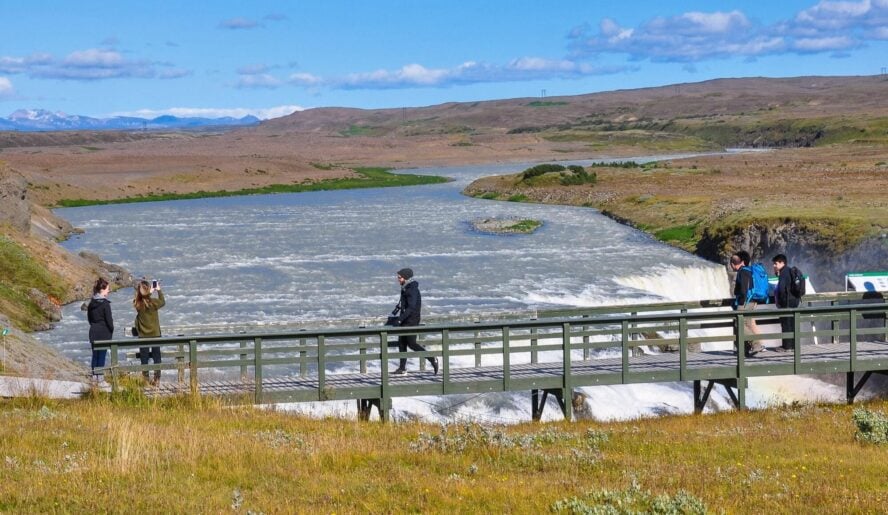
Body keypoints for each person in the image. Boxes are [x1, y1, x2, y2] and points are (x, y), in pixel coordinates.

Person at [391, 268, 438, 375]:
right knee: (402, 343)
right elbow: (404, 305)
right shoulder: (405, 287)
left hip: (411, 321)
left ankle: (432, 358)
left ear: (406, 278)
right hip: (405, 320)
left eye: (399, 277)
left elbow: (411, 308)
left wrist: (400, 320)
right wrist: (395, 314)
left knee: (412, 344)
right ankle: (402, 368)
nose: (398, 279)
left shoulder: (411, 289)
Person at [730, 251, 764, 357]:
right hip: (751, 301)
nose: (731, 265)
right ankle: (746, 349)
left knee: (738, 323)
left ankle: (756, 343)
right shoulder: (748, 270)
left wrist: (740, 302)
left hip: (746, 301)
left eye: (732, 262)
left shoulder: (743, 271)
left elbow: (744, 288)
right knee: (747, 324)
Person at [133, 279, 165, 385]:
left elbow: (139, 300)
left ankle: (145, 380)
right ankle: (157, 379)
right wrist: (158, 291)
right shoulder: (153, 303)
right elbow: (163, 302)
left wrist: (148, 292)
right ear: (148, 290)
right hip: (155, 334)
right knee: (157, 357)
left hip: (143, 336)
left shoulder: (138, 304)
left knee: (144, 358)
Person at [87, 278, 113, 382]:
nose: (109, 290)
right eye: (107, 289)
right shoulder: (105, 304)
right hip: (104, 332)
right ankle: (100, 377)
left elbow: (89, 318)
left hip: (93, 331)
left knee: (95, 355)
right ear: (102, 290)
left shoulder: (91, 303)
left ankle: (94, 376)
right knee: (102, 355)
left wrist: (94, 325)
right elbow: (109, 321)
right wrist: (111, 330)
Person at [772, 254, 800, 351]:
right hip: (794, 300)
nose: (774, 266)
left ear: (782, 263)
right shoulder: (789, 270)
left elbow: (782, 289)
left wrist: (779, 301)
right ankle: (793, 346)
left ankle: (787, 346)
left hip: (787, 302)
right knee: (792, 323)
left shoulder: (783, 273)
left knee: (786, 323)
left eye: (776, 263)